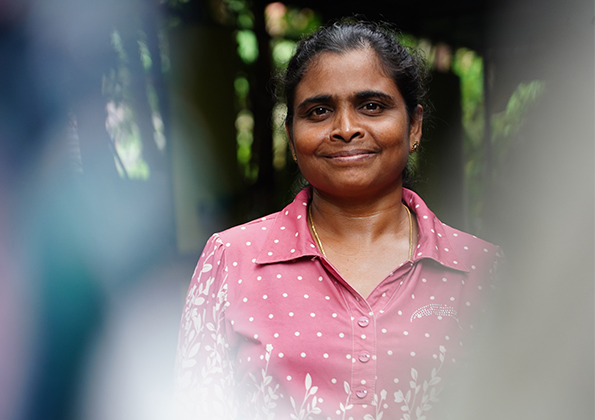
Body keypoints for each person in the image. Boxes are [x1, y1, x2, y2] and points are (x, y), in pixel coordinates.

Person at [174, 19, 501, 420]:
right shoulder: (232, 259)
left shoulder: (480, 269)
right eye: (319, 111)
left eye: (371, 106)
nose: (345, 129)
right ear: (293, 138)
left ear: (414, 125)